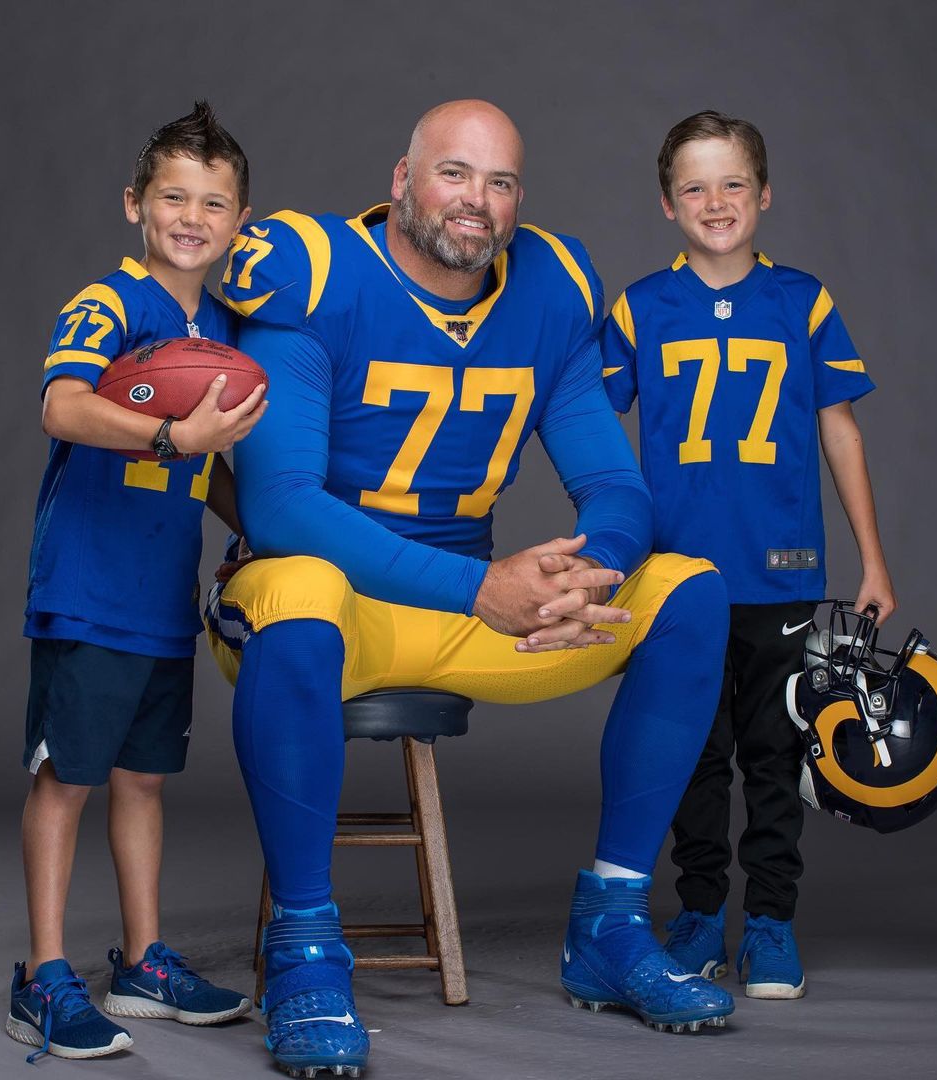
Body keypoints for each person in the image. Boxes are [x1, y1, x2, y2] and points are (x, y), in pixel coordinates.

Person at [208, 100, 734, 1078]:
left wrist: (592, 570)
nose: (477, 202)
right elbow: (278, 505)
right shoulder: (315, 269)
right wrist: (480, 587)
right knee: (305, 593)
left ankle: (611, 927)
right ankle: (307, 952)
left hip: (471, 609)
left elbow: (615, 485)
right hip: (337, 603)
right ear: (401, 180)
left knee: (690, 591)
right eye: (454, 174)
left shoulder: (551, 285)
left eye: (500, 183)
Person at [599, 110, 896, 1000]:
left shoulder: (802, 299)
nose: (715, 201)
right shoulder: (639, 306)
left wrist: (872, 560)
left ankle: (768, 921)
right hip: (678, 575)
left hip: (783, 570)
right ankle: (696, 914)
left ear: (763, 195)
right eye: (694, 186)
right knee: (691, 748)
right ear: (666, 203)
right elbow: (583, 420)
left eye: (733, 183)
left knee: (776, 751)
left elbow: (839, 429)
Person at [10, 101, 267, 1062]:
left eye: (214, 202)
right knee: (66, 779)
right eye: (173, 196)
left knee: (143, 780)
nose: (192, 216)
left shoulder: (225, 326)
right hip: (88, 582)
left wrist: (266, 536)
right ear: (134, 205)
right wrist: (172, 435)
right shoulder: (108, 303)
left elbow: (214, 473)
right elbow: (64, 405)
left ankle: (145, 961)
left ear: (239, 221)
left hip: (162, 592)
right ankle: (41, 978)